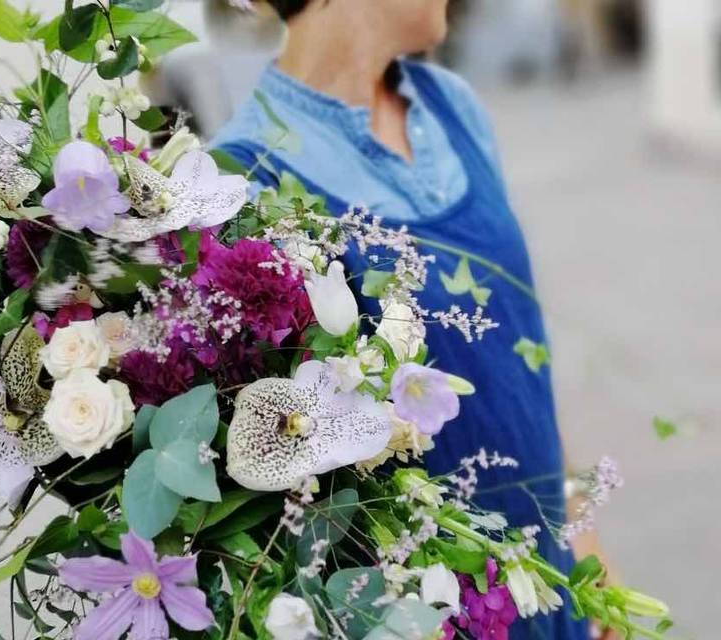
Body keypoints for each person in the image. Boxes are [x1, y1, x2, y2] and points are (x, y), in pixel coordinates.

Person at [211, 2, 594, 638]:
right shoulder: (249, 183)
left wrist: (580, 526)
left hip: (548, 580)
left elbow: (520, 355)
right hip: (434, 611)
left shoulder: (454, 106)